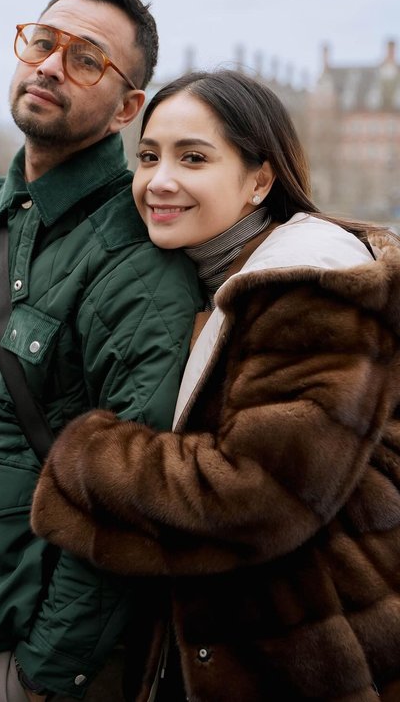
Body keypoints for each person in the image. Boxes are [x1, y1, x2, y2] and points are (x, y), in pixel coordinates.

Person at [31, 68, 400, 701]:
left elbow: (252, 494)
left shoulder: (311, 284)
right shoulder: (214, 274)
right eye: (148, 156)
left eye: (193, 157)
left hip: (312, 659)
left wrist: (82, 457)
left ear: (260, 179)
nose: (159, 180)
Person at [0, 0, 203, 702]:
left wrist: (41, 675)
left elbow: (130, 503)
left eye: (85, 59)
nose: (49, 64)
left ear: (126, 108)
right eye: (42, 42)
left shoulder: (137, 266)